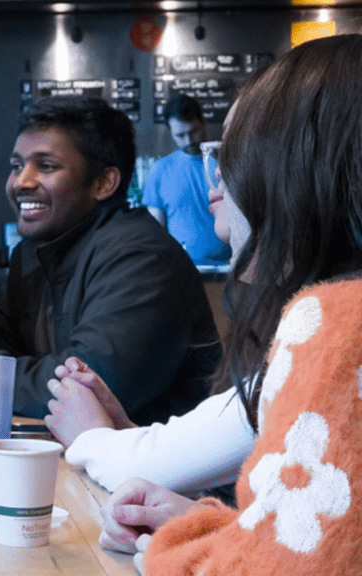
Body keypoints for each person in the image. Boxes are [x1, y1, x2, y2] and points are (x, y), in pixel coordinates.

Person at [97, 34, 362, 575]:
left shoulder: (337, 322)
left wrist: (172, 550)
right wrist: (209, 522)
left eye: (232, 153)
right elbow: (333, 542)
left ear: (291, 172)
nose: (215, 177)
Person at [0, 96, 219, 424]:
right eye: (17, 166)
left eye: (45, 166)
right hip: (78, 462)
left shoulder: (142, 259)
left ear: (103, 183)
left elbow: (91, 389)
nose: (21, 182)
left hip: (155, 472)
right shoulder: (34, 253)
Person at [43, 97, 254, 498]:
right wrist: (127, 437)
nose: (215, 172)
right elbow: (248, 468)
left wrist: (97, 439)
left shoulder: (326, 329)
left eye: (234, 149)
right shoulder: (299, 317)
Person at [142, 94, 231, 267]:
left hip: (230, 266)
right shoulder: (161, 170)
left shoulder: (226, 162)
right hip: (181, 269)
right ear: (170, 132)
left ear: (202, 122)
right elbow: (155, 231)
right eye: (180, 135)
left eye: (193, 131)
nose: (188, 141)